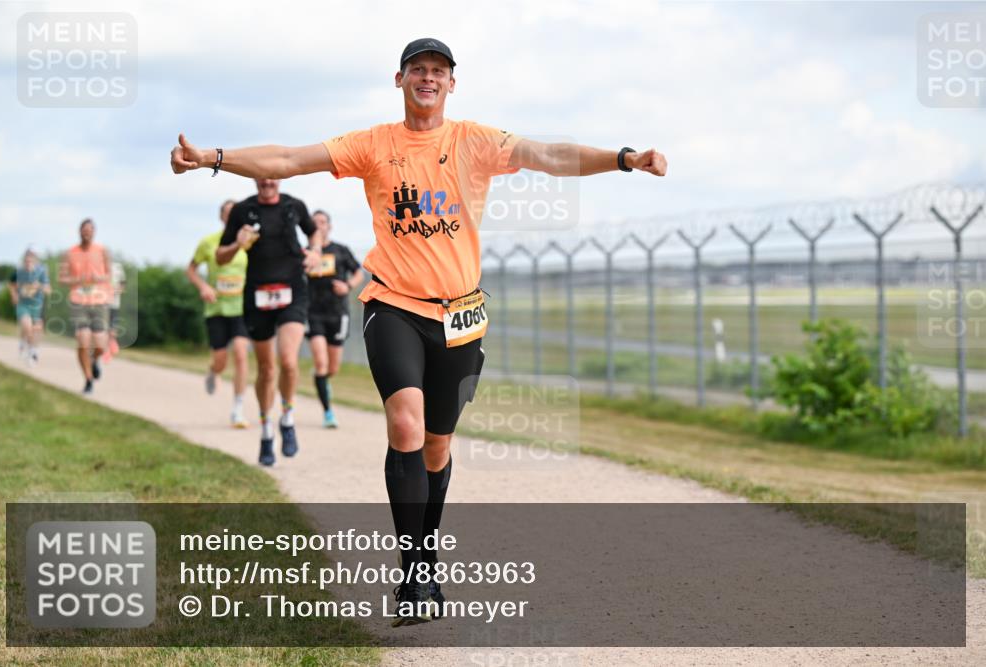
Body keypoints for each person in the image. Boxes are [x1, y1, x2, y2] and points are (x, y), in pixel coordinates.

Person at [170, 37, 667, 625]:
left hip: (458, 315)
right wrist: (214, 158)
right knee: (404, 423)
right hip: (394, 305)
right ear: (399, 79)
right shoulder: (374, 144)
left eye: (439, 71)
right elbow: (286, 160)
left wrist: (624, 158)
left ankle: (426, 553)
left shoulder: (476, 140)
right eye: (417, 70)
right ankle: (412, 576)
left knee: (437, 446)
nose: (427, 78)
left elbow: (549, 155)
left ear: (452, 84)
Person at [216, 179, 321, 465]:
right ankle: (266, 431)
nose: (267, 181)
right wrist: (237, 244)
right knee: (266, 368)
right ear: (254, 179)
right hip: (257, 295)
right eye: (261, 176)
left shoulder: (293, 206)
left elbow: (315, 234)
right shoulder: (242, 210)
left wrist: (315, 252)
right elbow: (221, 257)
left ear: (279, 178)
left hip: (293, 292)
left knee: (288, 360)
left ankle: (287, 418)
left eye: (272, 176)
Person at [186, 199, 250, 428]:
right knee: (221, 361)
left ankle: (238, 409)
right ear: (222, 217)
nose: (232, 217)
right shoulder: (208, 243)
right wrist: (203, 287)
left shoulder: (250, 242)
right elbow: (191, 269)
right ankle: (214, 371)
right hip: (216, 308)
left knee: (242, 355)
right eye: (228, 213)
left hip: (242, 308)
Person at [305, 209, 363, 428]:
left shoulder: (340, 250)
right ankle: (328, 412)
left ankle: (323, 380)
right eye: (314, 222)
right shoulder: (305, 252)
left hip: (338, 313)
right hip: (313, 312)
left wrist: (347, 286)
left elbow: (358, 272)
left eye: (323, 222)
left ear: (329, 226)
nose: (319, 225)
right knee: (321, 363)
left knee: (332, 368)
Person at [60, 219, 112, 395]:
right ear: (79, 232)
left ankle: (94, 359)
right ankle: (88, 380)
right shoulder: (70, 253)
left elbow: (110, 275)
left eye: (90, 230)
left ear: (94, 232)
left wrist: (101, 281)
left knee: (100, 345)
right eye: (84, 230)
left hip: (99, 300)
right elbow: (62, 278)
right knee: (83, 340)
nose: (86, 233)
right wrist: (79, 280)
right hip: (79, 300)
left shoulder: (102, 251)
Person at [8, 246, 51, 366]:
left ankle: (29, 347)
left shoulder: (41, 273)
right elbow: (11, 284)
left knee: (35, 330)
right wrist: (14, 295)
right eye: (27, 259)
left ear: (35, 260)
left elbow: (48, 290)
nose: (28, 261)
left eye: (31, 259)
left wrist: (40, 286)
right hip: (23, 304)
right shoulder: (19, 271)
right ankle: (31, 352)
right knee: (27, 327)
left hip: (37, 306)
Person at [103, 259, 126, 362]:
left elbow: (122, 285)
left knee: (112, 329)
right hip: (101, 303)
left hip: (114, 304)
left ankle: (111, 345)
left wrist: (116, 291)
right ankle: (106, 351)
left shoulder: (117, 267)